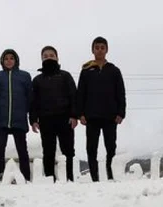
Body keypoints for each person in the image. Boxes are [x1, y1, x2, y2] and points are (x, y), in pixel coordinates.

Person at [76, 36, 126, 182]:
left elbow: (120, 93)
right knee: (91, 149)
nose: (99, 50)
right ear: (93, 50)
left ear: (107, 50)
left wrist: (121, 113)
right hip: (91, 117)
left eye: (102, 47)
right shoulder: (86, 70)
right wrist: (80, 114)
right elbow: (80, 93)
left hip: (111, 117)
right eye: (97, 47)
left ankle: (111, 175)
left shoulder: (114, 70)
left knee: (111, 147)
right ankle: (94, 178)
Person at [30, 45, 77, 181]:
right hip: (45, 120)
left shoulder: (65, 76)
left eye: (51, 55)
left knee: (68, 151)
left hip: (65, 119)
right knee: (48, 151)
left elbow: (74, 96)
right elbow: (33, 102)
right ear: (41, 59)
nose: (48, 58)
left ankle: (69, 178)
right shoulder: (37, 80)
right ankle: (50, 179)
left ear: (57, 58)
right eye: (45, 56)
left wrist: (74, 116)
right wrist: (33, 119)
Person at [0, 49, 32, 181]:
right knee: (0, 147)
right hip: (2, 118)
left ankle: (25, 176)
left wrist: (29, 114)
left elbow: (30, 97)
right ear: (2, 61)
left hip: (19, 118)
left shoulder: (24, 76)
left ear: (16, 60)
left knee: (22, 148)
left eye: (11, 58)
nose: (9, 61)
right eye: (6, 59)